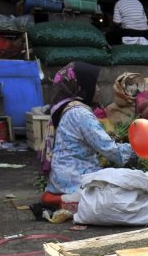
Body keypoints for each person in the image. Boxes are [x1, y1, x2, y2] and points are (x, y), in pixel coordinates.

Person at [44, 62, 135, 204]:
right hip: (74, 177)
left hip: (62, 175)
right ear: (83, 87)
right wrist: (139, 150)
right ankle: (64, 199)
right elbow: (111, 150)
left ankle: (62, 198)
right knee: (128, 189)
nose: (98, 89)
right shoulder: (81, 113)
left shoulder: (69, 108)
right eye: (95, 84)